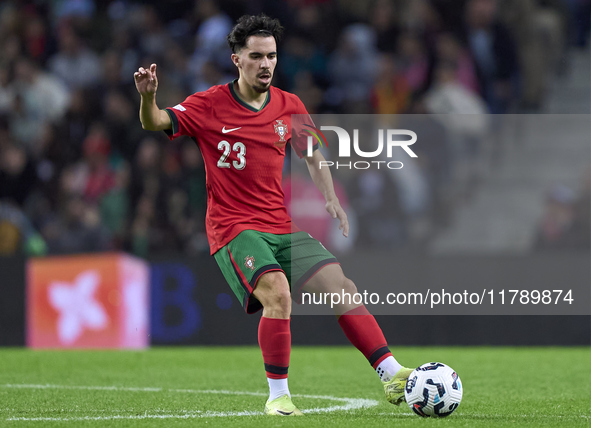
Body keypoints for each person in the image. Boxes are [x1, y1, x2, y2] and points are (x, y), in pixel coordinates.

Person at [134, 14, 412, 416]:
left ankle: (391, 373)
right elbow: (156, 121)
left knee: (343, 288)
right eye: (257, 56)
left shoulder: (290, 105)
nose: (266, 64)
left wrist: (331, 198)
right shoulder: (208, 104)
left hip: (280, 226)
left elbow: (315, 155)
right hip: (234, 228)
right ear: (237, 60)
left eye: (272, 56)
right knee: (278, 294)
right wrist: (148, 97)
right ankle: (278, 396)